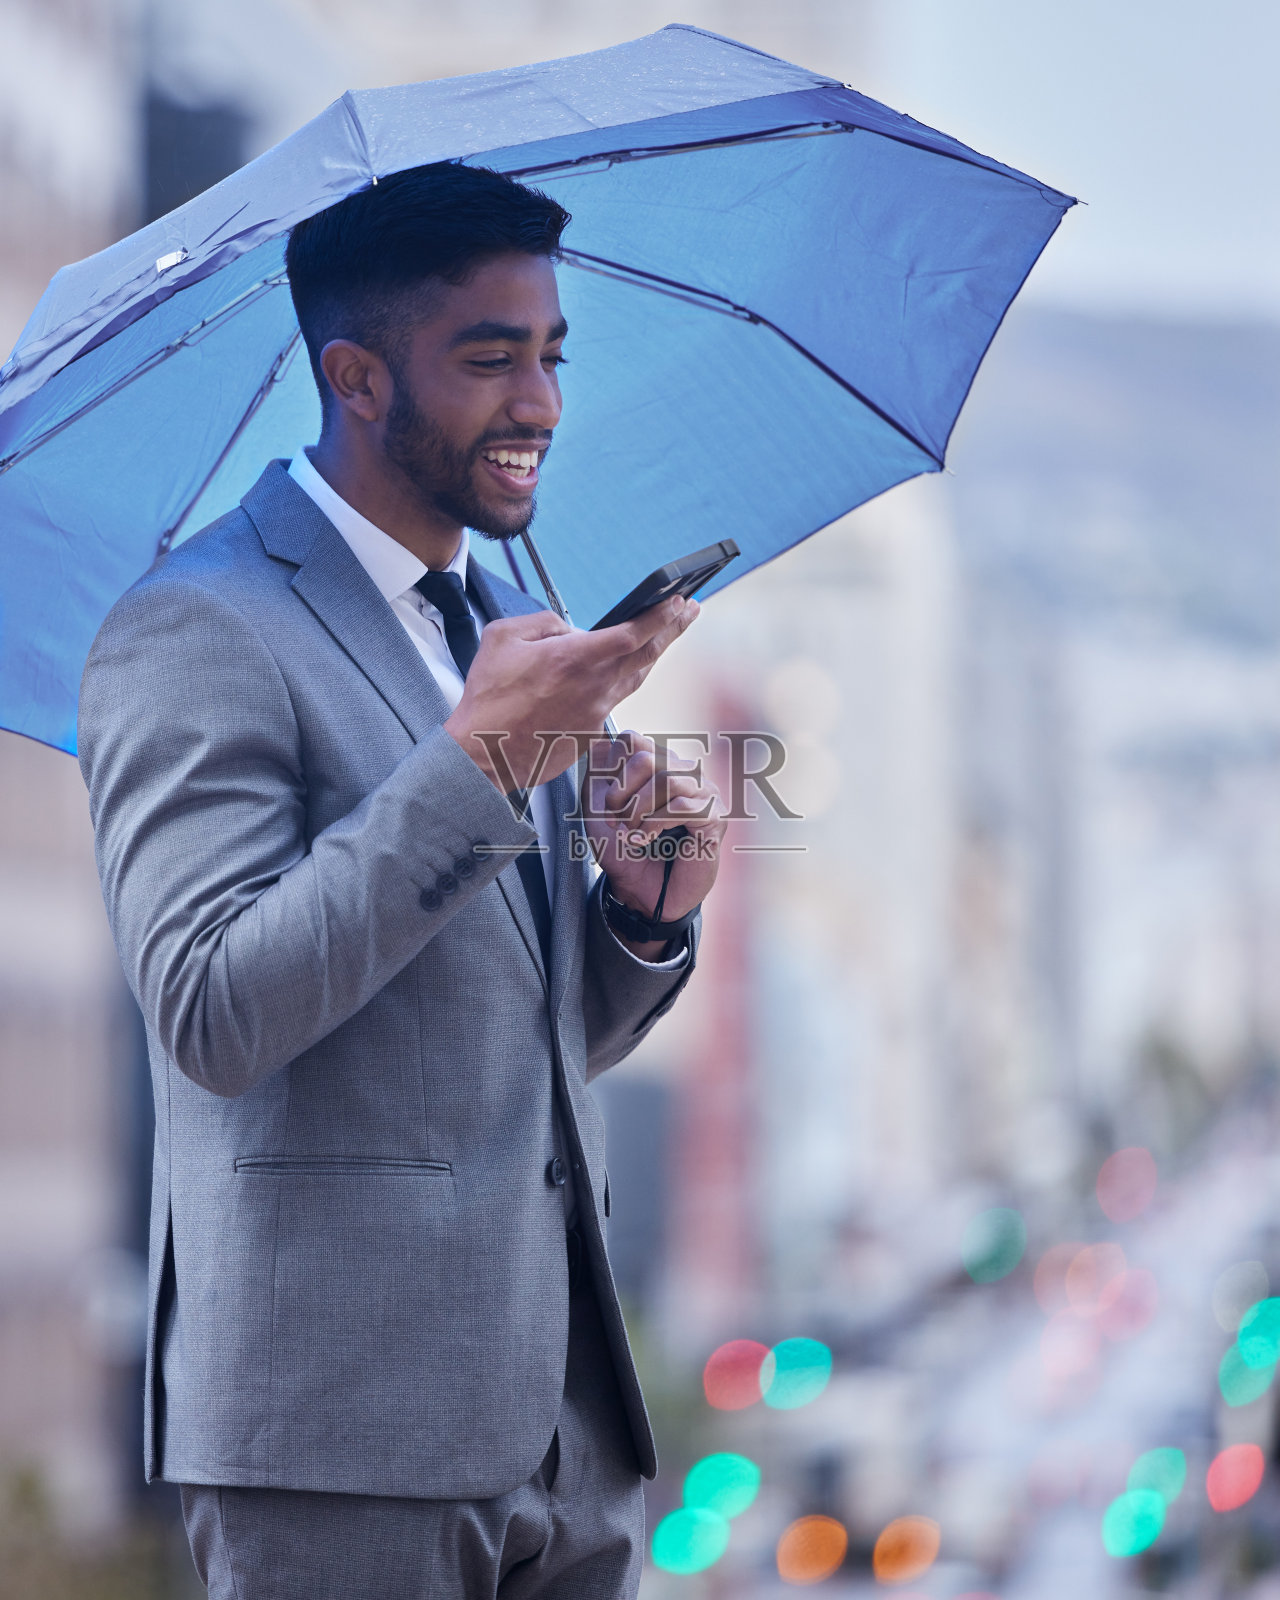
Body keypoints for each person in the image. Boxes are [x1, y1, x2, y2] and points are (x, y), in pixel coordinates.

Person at [77, 161, 725, 1600]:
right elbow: (212, 1013)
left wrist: (640, 913)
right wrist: (479, 768)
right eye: (491, 359)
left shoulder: (502, 627)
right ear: (358, 377)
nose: (542, 404)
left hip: (568, 1429)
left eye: (552, 356)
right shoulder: (195, 628)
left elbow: (507, 1037)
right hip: (340, 1439)